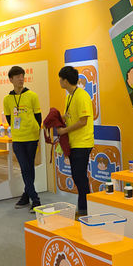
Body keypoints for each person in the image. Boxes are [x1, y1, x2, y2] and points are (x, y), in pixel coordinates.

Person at [55, 66, 94, 216]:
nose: (59, 81)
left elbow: (83, 121)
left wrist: (64, 131)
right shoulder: (69, 96)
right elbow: (68, 116)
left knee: (80, 177)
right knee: (78, 176)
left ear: (65, 81)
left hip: (82, 143)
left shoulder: (82, 96)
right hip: (73, 143)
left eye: (60, 79)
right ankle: (84, 208)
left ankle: (85, 209)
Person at [3, 66, 42, 209]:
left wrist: (34, 130)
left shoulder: (32, 96)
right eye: (18, 76)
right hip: (18, 139)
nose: (21, 79)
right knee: (25, 167)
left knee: (29, 167)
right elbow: (9, 119)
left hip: (31, 137)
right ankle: (34, 198)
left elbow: (38, 117)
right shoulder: (7, 99)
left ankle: (27, 196)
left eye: (22, 76)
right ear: (11, 79)